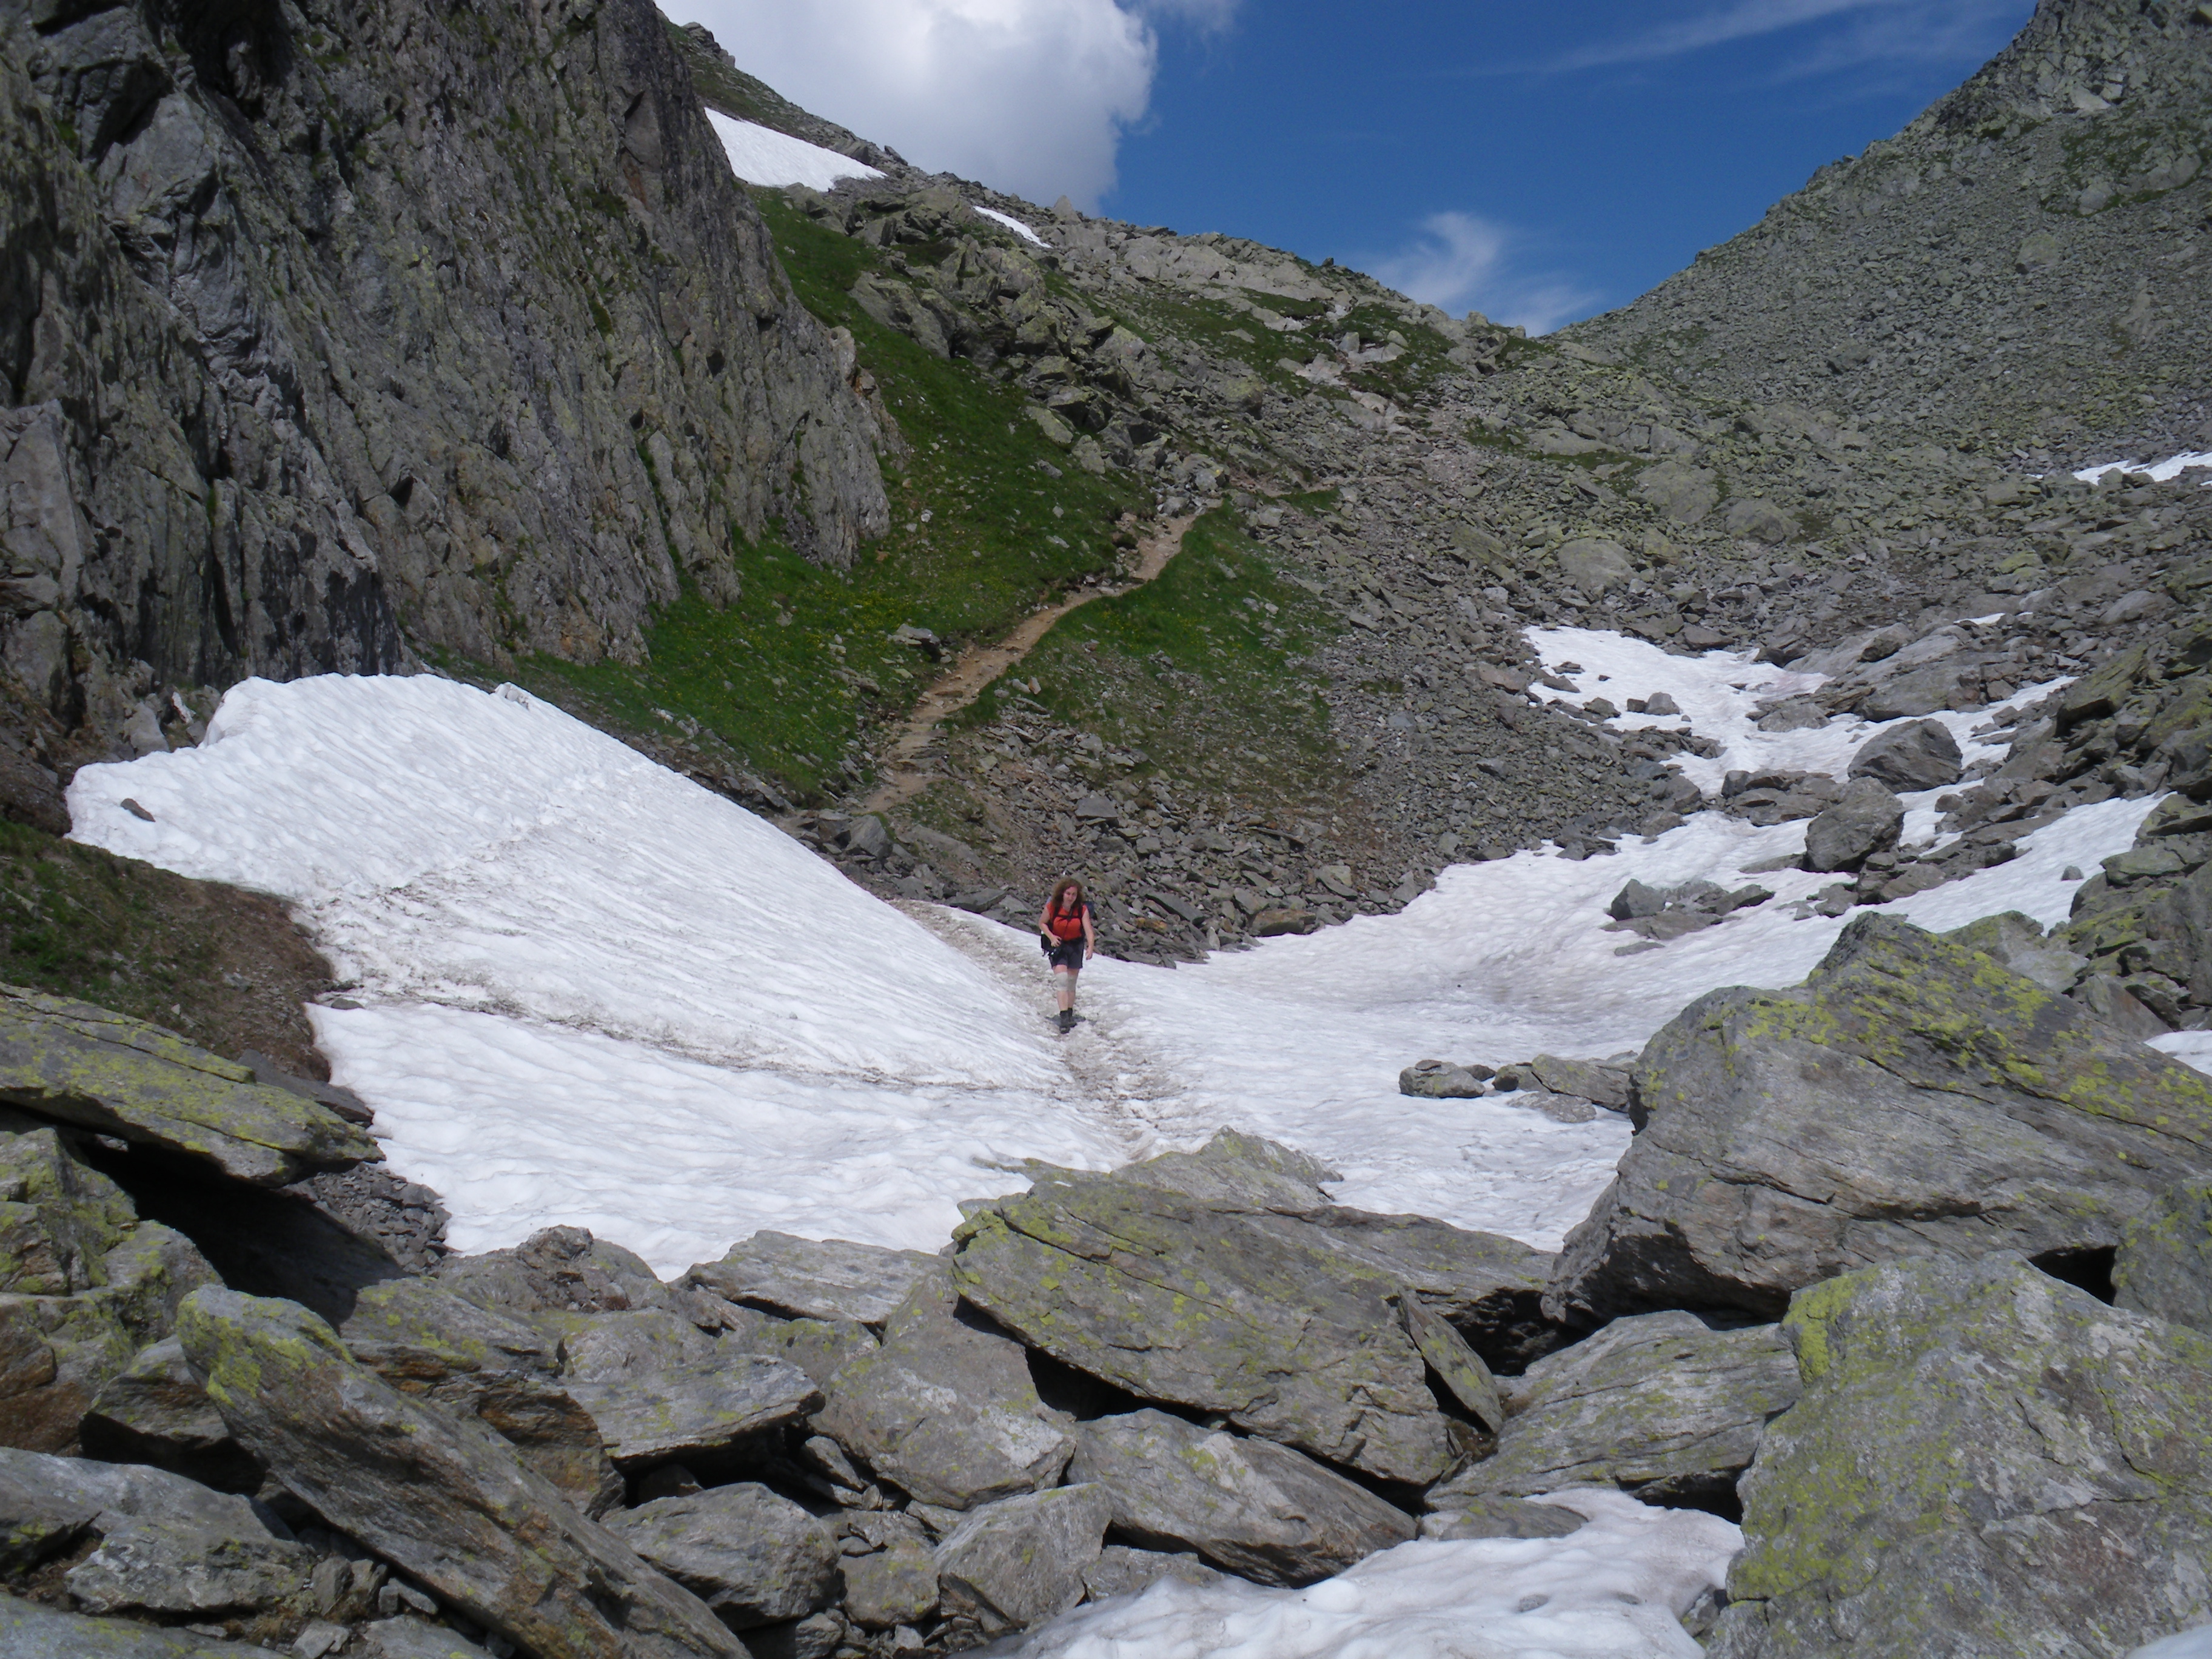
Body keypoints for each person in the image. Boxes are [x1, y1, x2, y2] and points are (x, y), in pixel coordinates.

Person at [1038, 877, 1095, 1033]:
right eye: (1068, 894)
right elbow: (1042, 923)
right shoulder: (1052, 907)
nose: (1071, 897)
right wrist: (1051, 937)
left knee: (1071, 982)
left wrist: (1090, 946)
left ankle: (1069, 1013)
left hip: (1075, 946)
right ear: (1062, 893)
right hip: (1059, 946)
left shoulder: (1082, 910)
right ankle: (1064, 1017)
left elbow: (1088, 929)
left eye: (1074, 894)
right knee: (1062, 979)